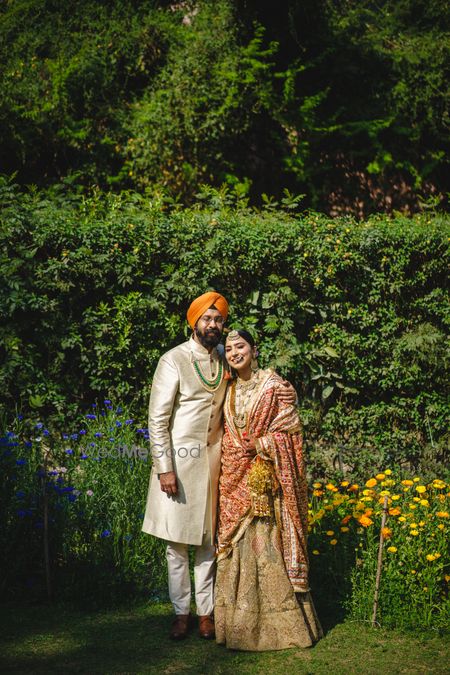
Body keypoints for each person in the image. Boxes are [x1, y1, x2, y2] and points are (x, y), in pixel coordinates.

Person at [142, 292, 297, 641]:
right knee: (177, 544)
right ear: (193, 322)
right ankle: (181, 613)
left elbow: (257, 385)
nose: (213, 325)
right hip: (179, 464)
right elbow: (157, 419)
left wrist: (290, 393)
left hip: (216, 464)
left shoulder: (225, 359)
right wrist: (164, 467)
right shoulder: (173, 360)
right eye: (207, 319)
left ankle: (206, 613)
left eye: (218, 320)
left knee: (210, 541)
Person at [215, 329, 322, 651]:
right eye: (230, 349)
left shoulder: (274, 386)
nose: (235, 353)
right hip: (233, 479)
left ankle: (283, 629)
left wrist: (262, 443)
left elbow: (289, 429)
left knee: (267, 547)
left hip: (266, 480)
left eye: (241, 347)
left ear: (254, 349)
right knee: (237, 550)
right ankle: (237, 629)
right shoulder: (226, 388)